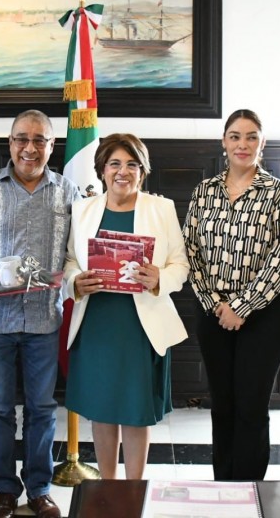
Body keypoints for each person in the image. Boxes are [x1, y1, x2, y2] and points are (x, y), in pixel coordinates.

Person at [0, 110, 80, 518]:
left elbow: (78, 250)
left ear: (52, 145)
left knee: (42, 409)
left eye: (40, 140)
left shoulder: (69, 192)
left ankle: (39, 488)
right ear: (10, 143)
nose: (30, 147)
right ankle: (5, 489)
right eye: (22, 138)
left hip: (45, 318)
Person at [63, 134, 189, 479]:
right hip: (96, 322)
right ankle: (108, 486)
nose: (123, 171)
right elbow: (71, 260)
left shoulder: (161, 209)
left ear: (142, 171)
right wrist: (75, 282)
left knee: (135, 411)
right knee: (102, 410)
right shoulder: (83, 209)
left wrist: (160, 278)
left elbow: (180, 264)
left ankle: (133, 490)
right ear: (102, 170)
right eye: (115, 164)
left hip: (140, 325)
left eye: (132, 164)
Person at [183, 109, 280, 480]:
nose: (242, 144)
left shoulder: (278, 193)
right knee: (222, 405)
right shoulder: (204, 191)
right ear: (224, 142)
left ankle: (249, 490)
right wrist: (216, 304)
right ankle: (224, 487)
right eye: (235, 136)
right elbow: (191, 252)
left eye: (251, 137)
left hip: (264, 316)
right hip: (213, 313)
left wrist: (242, 307)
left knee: (251, 407)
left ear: (262, 143)